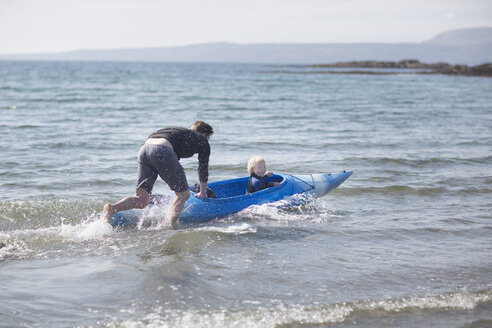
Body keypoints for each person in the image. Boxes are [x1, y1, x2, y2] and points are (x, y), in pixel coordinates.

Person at [101, 121, 214, 226]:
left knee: (142, 200)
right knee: (183, 195)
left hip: (144, 149)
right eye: (208, 137)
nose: (207, 140)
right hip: (161, 150)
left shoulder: (180, 132)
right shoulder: (202, 140)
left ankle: (112, 209)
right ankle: (167, 226)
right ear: (204, 134)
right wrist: (203, 192)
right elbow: (203, 168)